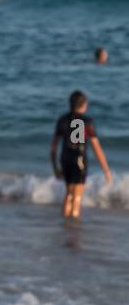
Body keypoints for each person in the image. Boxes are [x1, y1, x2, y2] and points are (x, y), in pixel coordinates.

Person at [50, 90, 112, 219]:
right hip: (79, 160)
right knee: (77, 197)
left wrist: (55, 167)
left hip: (65, 159)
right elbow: (97, 149)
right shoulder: (87, 121)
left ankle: (65, 225)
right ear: (84, 105)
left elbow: (53, 148)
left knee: (69, 194)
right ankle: (73, 229)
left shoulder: (62, 120)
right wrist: (106, 170)